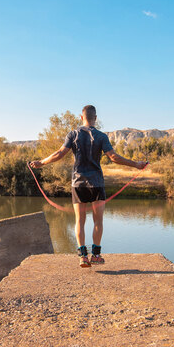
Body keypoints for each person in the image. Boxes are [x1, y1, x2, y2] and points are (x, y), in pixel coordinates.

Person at [30, 105, 147, 267]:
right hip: (97, 183)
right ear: (95, 118)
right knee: (98, 220)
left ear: (81, 117)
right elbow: (113, 157)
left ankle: (83, 257)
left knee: (80, 220)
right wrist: (136, 164)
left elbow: (59, 153)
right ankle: (96, 256)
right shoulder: (101, 136)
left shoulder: (73, 134)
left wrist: (41, 162)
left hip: (78, 183)